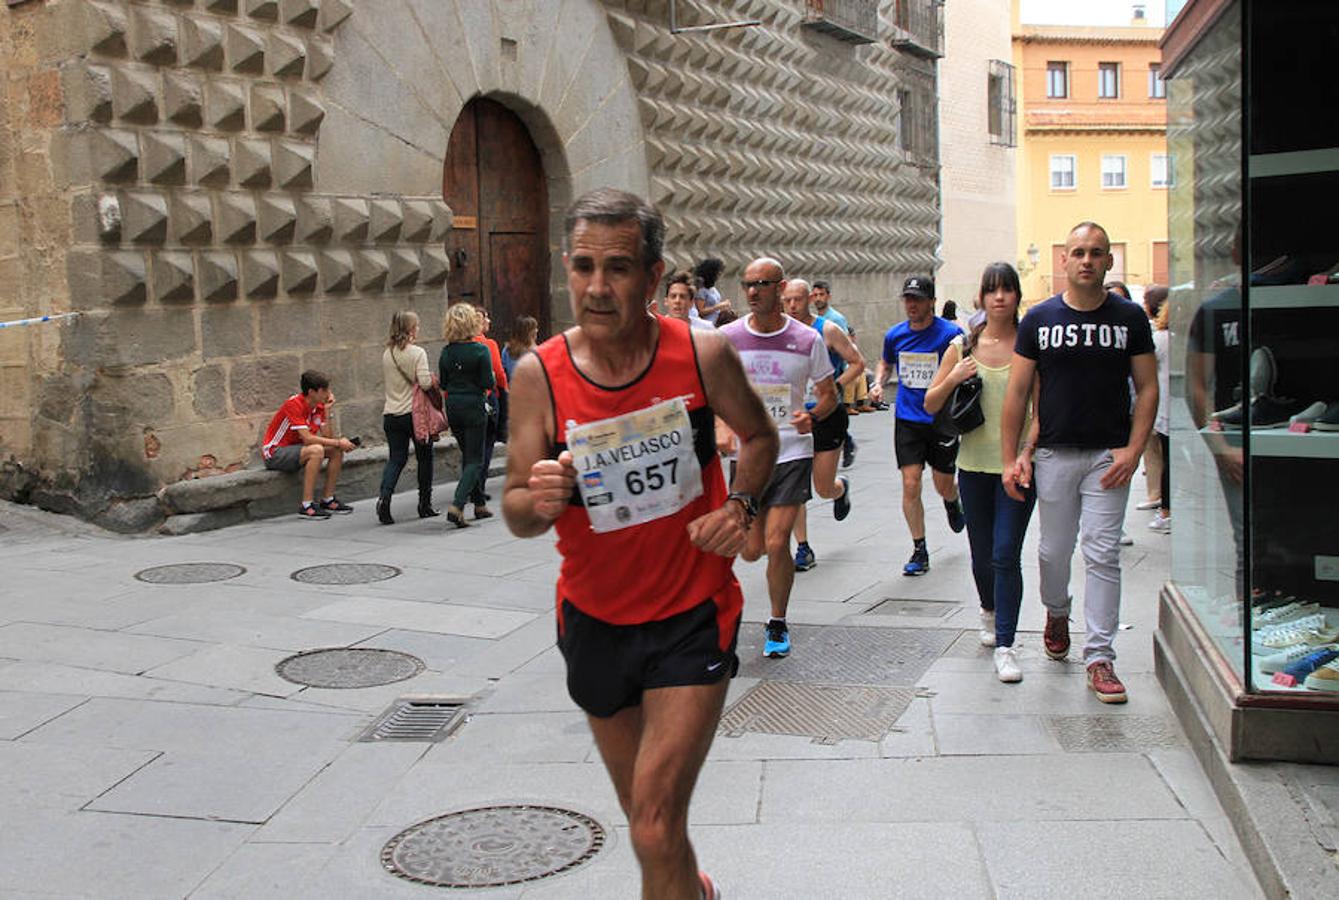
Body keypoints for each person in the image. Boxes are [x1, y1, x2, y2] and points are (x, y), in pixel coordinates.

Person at [502, 188, 777, 900]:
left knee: (653, 828)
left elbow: (759, 437)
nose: (597, 288)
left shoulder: (701, 354)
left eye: (618, 268)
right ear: (566, 267)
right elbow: (514, 510)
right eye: (584, 267)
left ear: (653, 278)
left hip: (692, 612)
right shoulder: (539, 376)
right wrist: (539, 497)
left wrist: (741, 506)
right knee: (649, 826)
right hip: (593, 621)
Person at [1001, 221, 1157, 704]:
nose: (1087, 260)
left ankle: (1100, 657)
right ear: (1063, 260)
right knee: (1052, 552)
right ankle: (1056, 610)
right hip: (1053, 454)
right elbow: (1018, 391)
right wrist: (1011, 458)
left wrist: (1133, 449)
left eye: (1096, 252)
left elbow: (1148, 387)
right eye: (1078, 252)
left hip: (1107, 457)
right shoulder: (1039, 319)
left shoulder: (1130, 317)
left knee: (1103, 553)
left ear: (1109, 261)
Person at [924, 264, 1037, 682]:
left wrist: (1028, 451)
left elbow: (1039, 410)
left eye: (1007, 289)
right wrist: (954, 374)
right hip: (972, 467)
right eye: (992, 290)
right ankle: (989, 609)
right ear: (982, 298)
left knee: (1006, 553)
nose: (1000, 297)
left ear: (1017, 295)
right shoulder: (961, 346)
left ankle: (1006, 644)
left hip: (1019, 469)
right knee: (982, 553)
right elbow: (931, 404)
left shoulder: (1030, 346)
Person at [721, 258, 838, 658]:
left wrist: (813, 414)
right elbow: (715, 391)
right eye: (747, 284)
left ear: (780, 287)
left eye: (762, 283)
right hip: (748, 454)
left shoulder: (807, 340)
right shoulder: (729, 337)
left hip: (791, 450)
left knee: (776, 540)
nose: (753, 291)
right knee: (750, 549)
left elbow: (829, 395)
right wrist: (722, 426)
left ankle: (777, 622)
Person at [870, 276, 966, 576]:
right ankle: (919, 548)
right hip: (908, 419)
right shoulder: (895, 335)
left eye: (918, 299)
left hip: (941, 421)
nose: (911, 305)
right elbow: (885, 362)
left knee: (943, 484)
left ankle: (953, 501)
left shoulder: (950, 334)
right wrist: (878, 382)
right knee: (910, 482)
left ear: (932, 302)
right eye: (908, 299)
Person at [781, 277, 864, 572]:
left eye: (798, 300)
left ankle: (840, 489)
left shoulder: (827, 329)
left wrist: (836, 387)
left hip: (828, 415)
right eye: (787, 300)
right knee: (796, 487)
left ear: (808, 300)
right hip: (795, 418)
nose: (792, 306)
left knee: (822, 486)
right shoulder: (781, 331)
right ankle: (803, 547)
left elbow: (857, 362)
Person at [260, 370, 355, 518]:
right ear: (311, 392)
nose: (328, 394)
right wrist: (338, 441)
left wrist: (328, 411)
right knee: (316, 450)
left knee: (336, 450)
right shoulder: (294, 404)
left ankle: (328, 499)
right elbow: (308, 439)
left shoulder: (319, 406)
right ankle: (306, 505)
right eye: (324, 390)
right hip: (275, 453)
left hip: (298, 450)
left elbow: (327, 436)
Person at [377, 311, 438, 524]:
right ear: (411, 329)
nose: (418, 329)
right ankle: (424, 504)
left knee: (396, 458)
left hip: (391, 413)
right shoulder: (417, 353)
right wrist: (432, 379)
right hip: (413, 415)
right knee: (425, 458)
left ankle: (384, 498)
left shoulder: (388, 353)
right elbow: (425, 383)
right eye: (417, 326)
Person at [440, 304, 495, 528]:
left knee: (468, 454)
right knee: (475, 459)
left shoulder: (446, 352)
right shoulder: (480, 350)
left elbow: (443, 382)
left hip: (453, 405)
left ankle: (480, 503)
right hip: (474, 404)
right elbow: (487, 383)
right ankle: (458, 505)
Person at [1138, 286, 1168, 512]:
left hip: (1159, 405)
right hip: (1166, 403)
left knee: (1155, 454)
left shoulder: (1158, 338)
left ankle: (1156, 496)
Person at [474, 307, 509, 496]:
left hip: (463, 403)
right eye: (486, 317)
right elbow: (498, 373)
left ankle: (470, 484)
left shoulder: (455, 346)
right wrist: (505, 391)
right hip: (488, 398)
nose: (489, 321)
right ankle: (479, 486)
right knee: (487, 443)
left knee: (472, 447)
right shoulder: (488, 345)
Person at [1148, 292, 1172, 533]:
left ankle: (1166, 511)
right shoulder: (1177, 338)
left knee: (1168, 461)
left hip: (1166, 407)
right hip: (1173, 406)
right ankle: (1167, 509)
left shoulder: (1160, 339)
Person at [693, 257, 731, 325]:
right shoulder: (701, 290)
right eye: (718, 272)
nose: (720, 274)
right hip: (707, 324)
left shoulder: (712, 287)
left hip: (717, 322)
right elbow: (700, 312)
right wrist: (718, 306)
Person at [501, 315, 538, 382]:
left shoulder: (507, 350)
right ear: (530, 333)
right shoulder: (535, 352)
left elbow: (504, 372)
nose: (537, 330)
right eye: (534, 328)